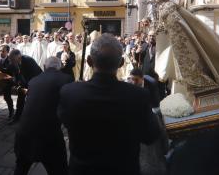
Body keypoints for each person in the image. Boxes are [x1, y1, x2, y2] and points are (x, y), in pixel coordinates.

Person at [58, 34, 161, 175]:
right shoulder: (138, 95)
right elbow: (151, 136)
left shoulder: (70, 92)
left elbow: (65, 122)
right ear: (121, 63)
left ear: (88, 61)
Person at [14, 57, 72, 175]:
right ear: (60, 67)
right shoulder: (67, 79)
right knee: (59, 170)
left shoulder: (34, 80)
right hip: (49, 135)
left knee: (21, 168)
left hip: (23, 133)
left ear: (45, 67)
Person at [8, 49, 42, 124]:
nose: (11, 61)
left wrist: (29, 89)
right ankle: (17, 117)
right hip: (24, 81)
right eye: (10, 59)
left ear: (19, 56)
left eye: (13, 59)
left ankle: (36, 119)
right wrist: (17, 86)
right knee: (20, 99)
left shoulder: (28, 61)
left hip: (36, 81)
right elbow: (16, 76)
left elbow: (35, 76)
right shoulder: (13, 62)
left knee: (33, 101)